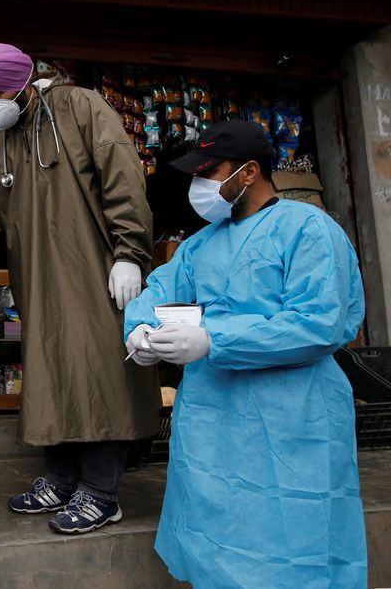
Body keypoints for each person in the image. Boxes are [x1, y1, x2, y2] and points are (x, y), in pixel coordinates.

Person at [0, 43, 159, 535]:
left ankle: (102, 492)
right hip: (39, 280)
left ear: (20, 84)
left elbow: (122, 175)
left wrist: (130, 252)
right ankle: (63, 478)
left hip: (97, 269)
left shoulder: (80, 107)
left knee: (99, 373)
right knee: (53, 371)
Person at [124, 120, 368, 587]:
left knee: (297, 537)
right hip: (212, 423)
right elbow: (159, 293)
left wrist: (217, 341)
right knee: (216, 531)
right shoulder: (200, 245)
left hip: (294, 420)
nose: (199, 184)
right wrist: (139, 333)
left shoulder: (309, 230)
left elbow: (319, 322)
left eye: (209, 172)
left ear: (250, 171)